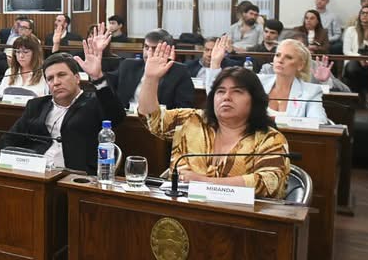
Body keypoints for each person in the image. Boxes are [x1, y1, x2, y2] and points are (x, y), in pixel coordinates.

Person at [139, 43, 290, 198]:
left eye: (237, 91)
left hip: (239, 212)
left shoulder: (270, 139)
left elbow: (269, 183)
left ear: (255, 100)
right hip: (183, 208)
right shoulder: (192, 120)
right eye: (220, 91)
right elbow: (152, 118)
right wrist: (151, 79)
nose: (226, 97)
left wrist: (203, 182)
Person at [0, 27, 126, 172]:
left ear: (77, 78)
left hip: (74, 176)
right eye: (50, 78)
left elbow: (117, 116)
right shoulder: (36, 105)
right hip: (37, 172)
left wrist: (97, 77)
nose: (56, 82)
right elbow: (8, 139)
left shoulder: (93, 103)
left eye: (61, 75)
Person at [207, 35, 328, 122]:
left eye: (288, 57)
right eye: (278, 55)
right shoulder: (257, 81)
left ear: (300, 65)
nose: (280, 60)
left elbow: (319, 122)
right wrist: (215, 63)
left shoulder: (311, 92)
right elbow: (218, 96)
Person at [109, 30, 195, 109]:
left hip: (160, 119)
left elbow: (184, 108)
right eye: (146, 47)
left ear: (167, 51)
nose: (148, 53)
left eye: (155, 49)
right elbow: (107, 86)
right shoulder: (128, 65)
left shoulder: (179, 72)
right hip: (127, 118)